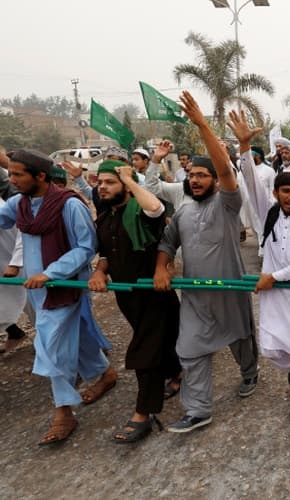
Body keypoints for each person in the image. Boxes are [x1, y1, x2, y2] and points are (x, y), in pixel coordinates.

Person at [154, 92, 259, 433]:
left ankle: (249, 373)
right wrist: (162, 266)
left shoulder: (228, 204)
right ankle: (199, 410)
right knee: (190, 350)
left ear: (215, 179)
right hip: (196, 297)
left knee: (241, 340)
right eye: (192, 175)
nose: (196, 179)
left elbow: (227, 168)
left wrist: (202, 125)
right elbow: (168, 244)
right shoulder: (183, 210)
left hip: (230, 291)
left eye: (203, 175)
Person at [0, 148, 116, 446]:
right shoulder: (19, 204)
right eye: (10, 173)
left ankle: (64, 412)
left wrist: (51, 273)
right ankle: (105, 373)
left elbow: (85, 248)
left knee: (50, 345)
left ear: (40, 175)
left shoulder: (69, 205)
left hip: (65, 287)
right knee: (76, 336)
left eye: (17, 174)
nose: (12, 180)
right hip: (38, 292)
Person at [231, 110, 290, 422]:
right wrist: (244, 148)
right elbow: (249, 180)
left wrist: (274, 276)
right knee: (272, 348)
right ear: (276, 193)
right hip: (272, 291)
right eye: (286, 191)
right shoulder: (267, 211)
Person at [88, 160, 181, 443]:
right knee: (163, 341)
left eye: (110, 182)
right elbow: (105, 255)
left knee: (144, 351)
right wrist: (100, 272)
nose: (103, 187)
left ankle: (144, 413)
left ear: (126, 186)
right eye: (100, 183)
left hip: (155, 293)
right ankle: (177, 373)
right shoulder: (103, 219)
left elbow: (157, 208)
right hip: (127, 297)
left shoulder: (140, 212)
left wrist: (128, 180)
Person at [0, 194, 25, 353]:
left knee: (35, 305)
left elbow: (24, 232)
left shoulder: (5, 206)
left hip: (17, 264)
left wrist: (16, 262)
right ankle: (15, 333)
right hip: (7, 262)